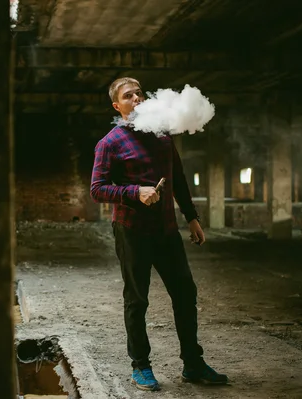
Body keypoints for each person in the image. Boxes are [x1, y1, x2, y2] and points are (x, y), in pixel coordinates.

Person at [90, 77, 228, 391]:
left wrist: (191, 218)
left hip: (166, 231)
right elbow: (97, 190)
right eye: (128, 96)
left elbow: (177, 178)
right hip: (132, 232)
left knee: (185, 294)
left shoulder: (162, 137)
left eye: (140, 92)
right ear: (117, 106)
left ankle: (193, 364)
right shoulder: (109, 143)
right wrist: (133, 192)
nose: (137, 98)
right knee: (137, 300)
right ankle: (141, 366)